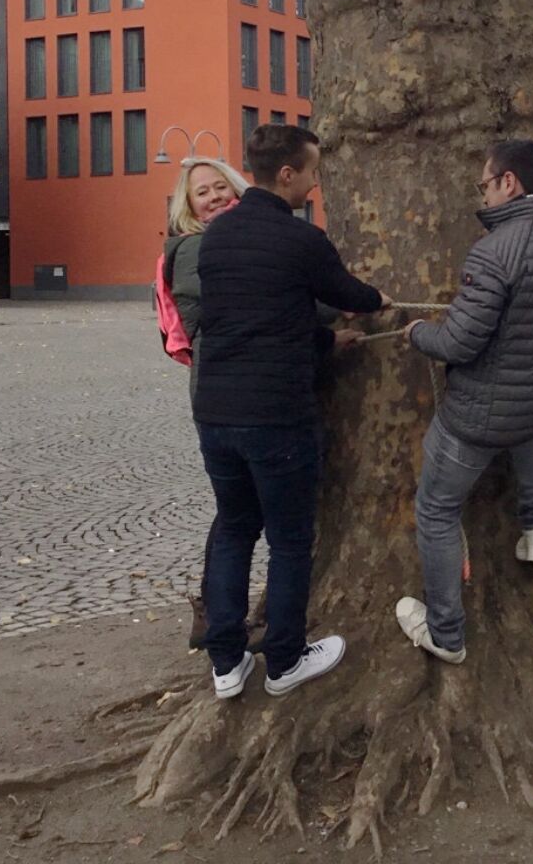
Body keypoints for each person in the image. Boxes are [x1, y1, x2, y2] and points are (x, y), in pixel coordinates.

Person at [192, 125, 389, 700]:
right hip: (276, 416)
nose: (316, 180)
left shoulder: (216, 239)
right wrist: (378, 301)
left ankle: (226, 664)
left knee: (233, 530)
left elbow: (263, 320)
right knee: (290, 540)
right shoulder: (303, 240)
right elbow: (349, 295)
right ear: (286, 174)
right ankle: (284, 660)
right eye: (311, 170)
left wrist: (327, 344)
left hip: (216, 413)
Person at [396, 140, 533, 665]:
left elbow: (459, 343)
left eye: (484, 185)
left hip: (478, 416)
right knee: (526, 421)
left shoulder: (495, 251)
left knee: (437, 509)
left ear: (508, 182)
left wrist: (418, 332)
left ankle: (446, 634)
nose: (483, 196)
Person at [159, 156, 249, 650]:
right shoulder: (196, 247)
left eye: (221, 187)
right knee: (238, 510)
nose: (214, 197)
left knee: (239, 509)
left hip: (228, 384)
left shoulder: (229, 237)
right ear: (188, 206)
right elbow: (217, 310)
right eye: (202, 193)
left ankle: (216, 614)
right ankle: (214, 615)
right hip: (222, 388)